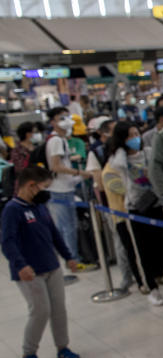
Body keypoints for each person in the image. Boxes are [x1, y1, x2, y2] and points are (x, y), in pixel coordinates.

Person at [1, 166, 82, 358]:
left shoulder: (39, 206)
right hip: (29, 271)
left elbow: (53, 233)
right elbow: (7, 242)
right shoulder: (12, 209)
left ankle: (63, 347)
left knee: (58, 309)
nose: (46, 192)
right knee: (40, 311)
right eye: (43, 187)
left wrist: (68, 256)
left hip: (51, 266)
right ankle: (29, 354)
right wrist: (20, 265)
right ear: (30, 186)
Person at [102, 121, 163, 305]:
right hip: (133, 209)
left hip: (155, 204)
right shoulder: (117, 161)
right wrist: (122, 153)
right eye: (130, 135)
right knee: (141, 250)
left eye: (136, 133)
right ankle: (150, 287)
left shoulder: (148, 153)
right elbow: (120, 183)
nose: (135, 138)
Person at [43, 107, 94, 269]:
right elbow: (56, 166)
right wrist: (79, 172)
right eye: (61, 118)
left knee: (66, 227)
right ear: (53, 122)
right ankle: (74, 262)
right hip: (60, 190)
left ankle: (72, 259)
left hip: (63, 188)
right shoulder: (56, 140)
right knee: (68, 228)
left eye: (67, 116)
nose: (66, 120)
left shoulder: (59, 139)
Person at [10, 121, 44, 186]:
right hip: (26, 185)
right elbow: (20, 170)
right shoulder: (17, 151)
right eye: (35, 132)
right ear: (28, 134)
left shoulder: (36, 148)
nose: (38, 134)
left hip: (40, 183)